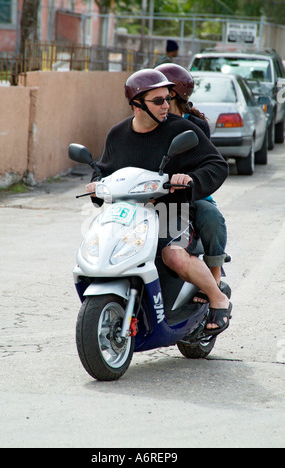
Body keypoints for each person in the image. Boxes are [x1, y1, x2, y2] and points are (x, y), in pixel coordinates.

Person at [86, 68, 232, 335]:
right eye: (158, 101)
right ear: (137, 104)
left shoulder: (182, 129)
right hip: (128, 213)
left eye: (167, 98)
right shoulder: (117, 135)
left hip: (172, 210)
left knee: (173, 255)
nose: (167, 105)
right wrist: (97, 184)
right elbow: (104, 168)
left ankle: (218, 297)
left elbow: (217, 165)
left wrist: (190, 181)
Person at [156, 63, 228, 304]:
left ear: (173, 94)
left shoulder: (196, 126)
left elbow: (207, 163)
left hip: (191, 194)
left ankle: (214, 279)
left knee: (210, 216)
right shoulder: (151, 123)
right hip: (154, 195)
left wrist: (188, 179)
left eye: (162, 92)